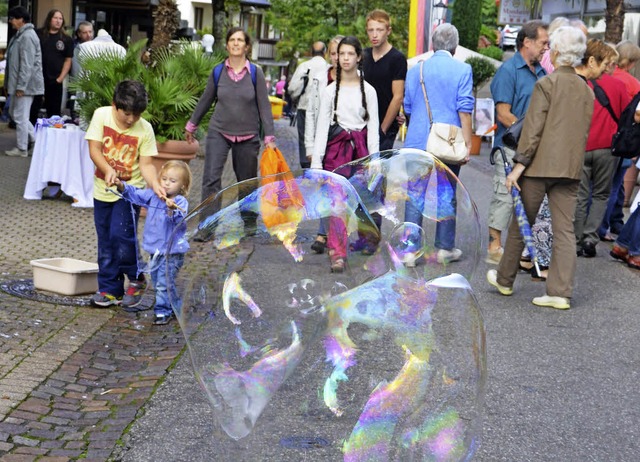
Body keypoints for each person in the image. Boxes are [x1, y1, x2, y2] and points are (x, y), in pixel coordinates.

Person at [487, 26, 594, 310]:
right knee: (565, 230)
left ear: (557, 52)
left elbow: (532, 131)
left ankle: (505, 279)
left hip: (538, 167)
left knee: (521, 224)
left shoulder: (545, 85)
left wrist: (518, 167)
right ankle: (559, 291)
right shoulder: (586, 91)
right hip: (571, 169)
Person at [186, 27, 275, 223]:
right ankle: (208, 224)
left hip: (248, 135)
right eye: (232, 40)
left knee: (246, 183)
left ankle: (249, 222)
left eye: (240, 40)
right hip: (219, 132)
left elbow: (265, 107)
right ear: (227, 45)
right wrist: (192, 125)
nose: (236, 43)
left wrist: (269, 137)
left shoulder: (255, 73)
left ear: (247, 46)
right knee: (211, 180)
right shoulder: (218, 72)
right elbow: (206, 100)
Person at [86, 80, 163, 308]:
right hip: (102, 191)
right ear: (114, 105)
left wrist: (155, 185)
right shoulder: (101, 116)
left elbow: (147, 165)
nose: (131, 120)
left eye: (136, 115)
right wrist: (108, 169)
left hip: (129, 193)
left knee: (121, 236)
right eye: (126, 114)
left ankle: (136, 276)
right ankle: (110, 290)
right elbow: (94, 149)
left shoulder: (145, 129)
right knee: (106, 241)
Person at [402, 23, 473, 266]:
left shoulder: (416, 70)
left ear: (432, 45)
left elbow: (408, 106)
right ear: (455, 46)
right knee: (446, 193)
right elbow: (465, 109)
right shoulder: (463, 69)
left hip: (417, 140)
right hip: (448, 142)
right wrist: (469, 143)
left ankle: (410, 251)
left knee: (414, 195)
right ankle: (444, 248)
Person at [311, 36, 379, 273]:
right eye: (342, 54)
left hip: (360, 151)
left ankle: (364, 242)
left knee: (361, 204)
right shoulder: (330, 91)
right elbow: (322, 127)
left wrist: (375, 159)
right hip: (337, 151)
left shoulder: (369, 91)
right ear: (336, 57)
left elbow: (373, 128)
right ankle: (337, 253)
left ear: (359, 57)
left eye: (351, 54)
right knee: (336, 204)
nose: (346, 59)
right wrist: (317, 161)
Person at [487, 20, 549, 265]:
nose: (546, 48)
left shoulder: (543, 73)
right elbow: (503, 114)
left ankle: (522, 252)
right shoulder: (508, 71)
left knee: (529, 198)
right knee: (504, 196)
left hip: (532, 148)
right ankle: (494, 247)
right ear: (527, 42)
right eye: (543, 43)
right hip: (510, 147)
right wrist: (530, 138)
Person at [115, 160, 191, 324]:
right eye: (164, 179)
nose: (167, 184)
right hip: (155, 250)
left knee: (163, 283)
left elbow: (179, 220)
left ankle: (162, 311)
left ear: (182, 186)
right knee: (159, 282)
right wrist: (121, 186)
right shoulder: (154, 195)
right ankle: (175, 305)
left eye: (172, 181)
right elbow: (136, 194)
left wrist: (171, 208)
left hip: (172, 253)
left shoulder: (180, 202)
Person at [574, 40, 627, 258]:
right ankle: (590, 237)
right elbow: (625, 116)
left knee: (580, 193)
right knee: (601, 194)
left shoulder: (580, 84)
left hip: (583, 145)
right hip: (607, 148)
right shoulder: (619, 86)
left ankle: (575, 238)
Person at [305, 34, 344, 254]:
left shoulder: (356, 78)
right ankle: (322, 232)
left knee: (337, 188)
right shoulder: (320, 76)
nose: (337, 57)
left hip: (343, 139)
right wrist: (310, 147)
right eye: (333, 52)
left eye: (341, 52)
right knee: (323, 186)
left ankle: (337, 233)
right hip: (323, 138)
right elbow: (311, 112)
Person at [600, 41, 640, 241]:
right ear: (632, 62)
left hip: (600, 138)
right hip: (622, 142)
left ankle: (611, 223)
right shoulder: (633, 83)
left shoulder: (603, 77)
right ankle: (604, 226)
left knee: (598, 187)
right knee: (614, 186)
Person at [363, 9, 407, 151]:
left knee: (379, 169)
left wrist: (383, 129)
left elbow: (398, 96)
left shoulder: (397, 59)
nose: (374, 35)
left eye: (379, 30)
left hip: (384, 126)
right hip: (362, 124)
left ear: (388, 31)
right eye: (371, 30)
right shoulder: (363, 56)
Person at [4, 6, 44, 158]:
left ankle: (22, 148)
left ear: (21, 19)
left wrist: (21, 86)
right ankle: (35, 141)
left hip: (25, 86)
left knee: (20, 117)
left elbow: (27, 64)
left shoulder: (27, 36)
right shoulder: (22, 35)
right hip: (22, 85)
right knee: (19, 115)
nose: (11, 21)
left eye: (12, 18)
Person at [288, 41, 329, 168]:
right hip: (323, 109)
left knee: (304, 138)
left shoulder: (304, 66)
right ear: (325, 52)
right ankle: (320, 164)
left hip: (304, 107)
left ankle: (306, 165)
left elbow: (292, 88)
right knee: (322, 137)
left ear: (311, 52)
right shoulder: (328, 67)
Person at [38, 9, 74, 117]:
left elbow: (68, 60)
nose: (58, 21)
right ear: (49, 19)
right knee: (35, 110)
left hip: (55, 81)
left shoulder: (66, 39)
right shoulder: (39, 34)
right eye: (55, 18)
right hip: (38, 78)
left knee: (53, 113)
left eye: (60, 19)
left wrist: (60, 78)